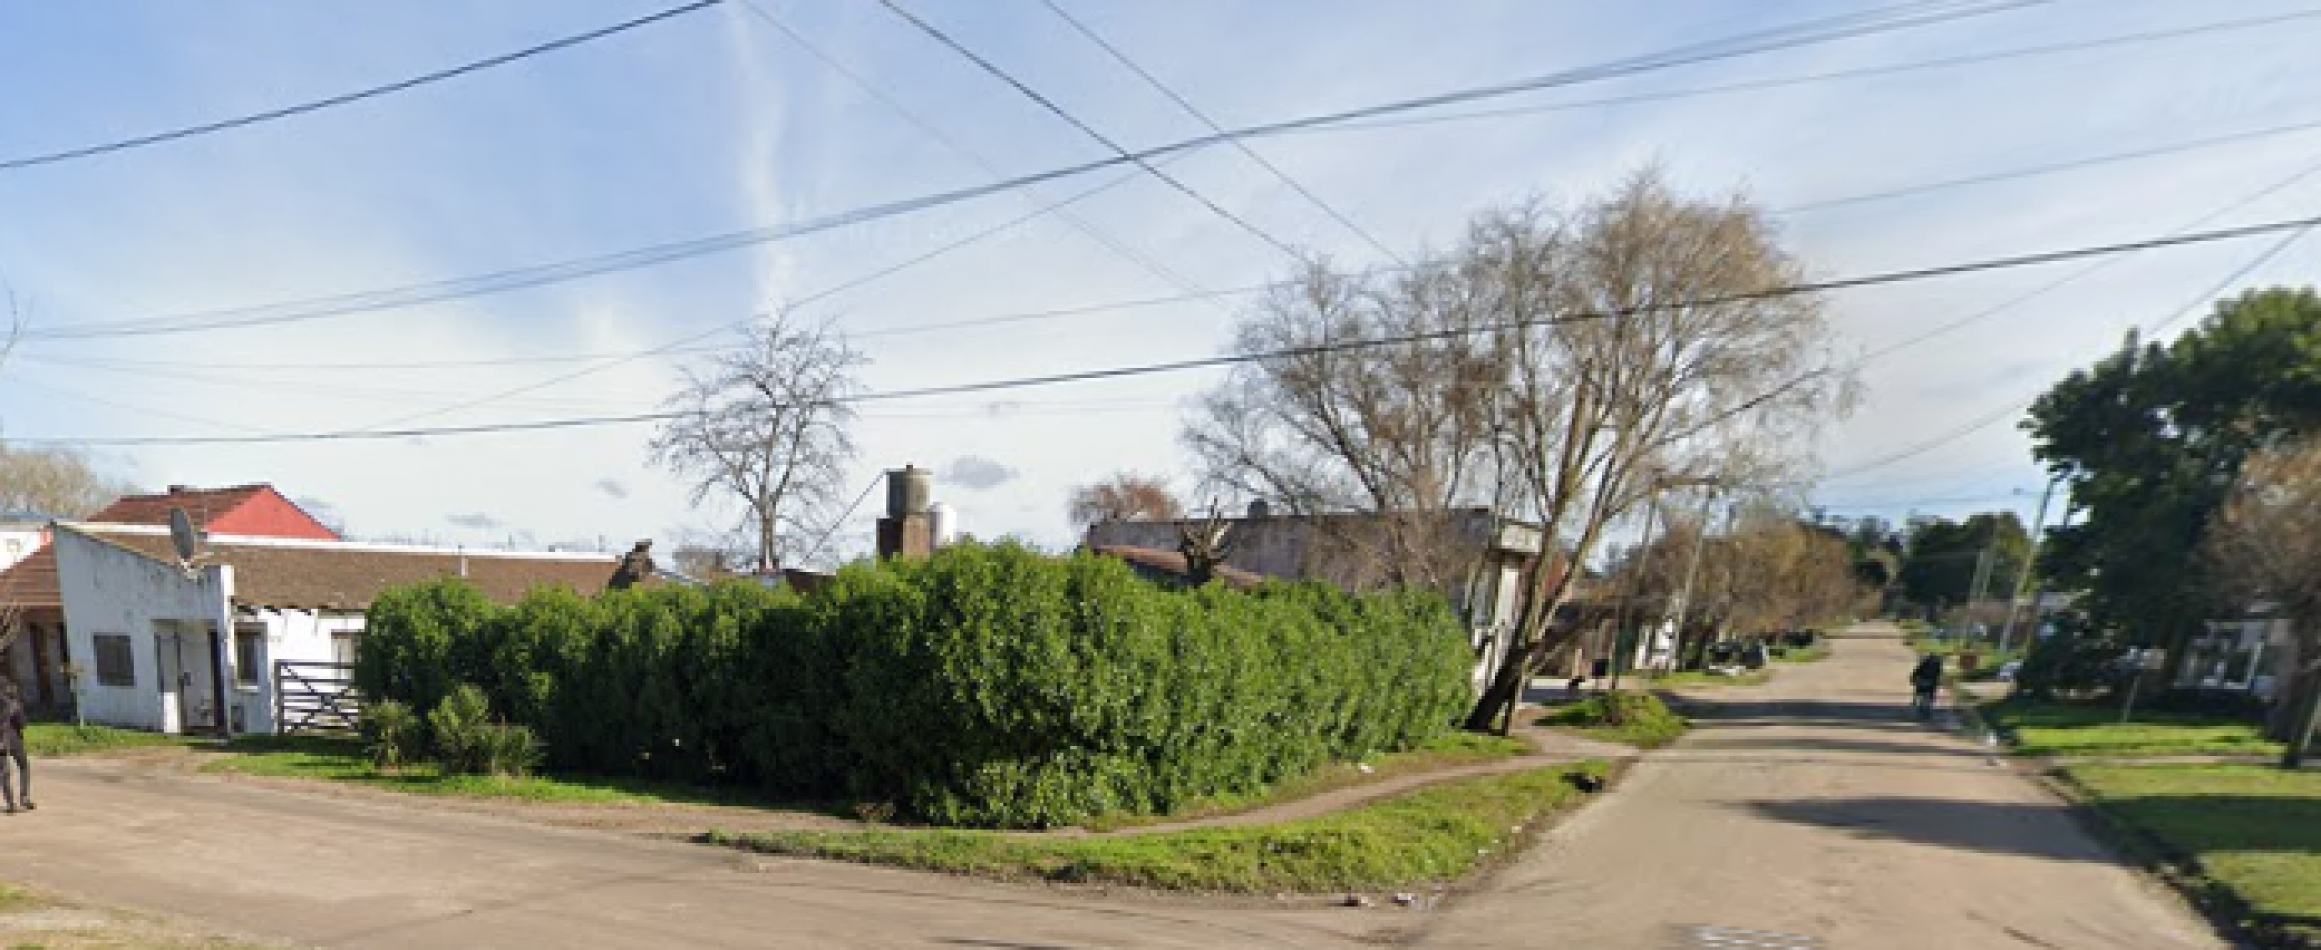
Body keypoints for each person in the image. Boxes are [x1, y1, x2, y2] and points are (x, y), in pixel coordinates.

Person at [0, 677, 28, 814]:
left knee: (4, 773)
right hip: (14, 739)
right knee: (23, 767)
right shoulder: (12, 702)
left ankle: (10, 804)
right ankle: (24, 797)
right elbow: (22, 723)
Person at [1909, 653, 1945, 720]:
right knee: (1925, 695)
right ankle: (1921, 705)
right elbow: (1939, 677)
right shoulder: (1936, 666)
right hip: (1927, 683)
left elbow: (1917, 672)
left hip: (1926, 683)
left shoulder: (1926, 664)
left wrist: (1913, 678)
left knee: (1922, 694)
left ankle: (1919, 704)